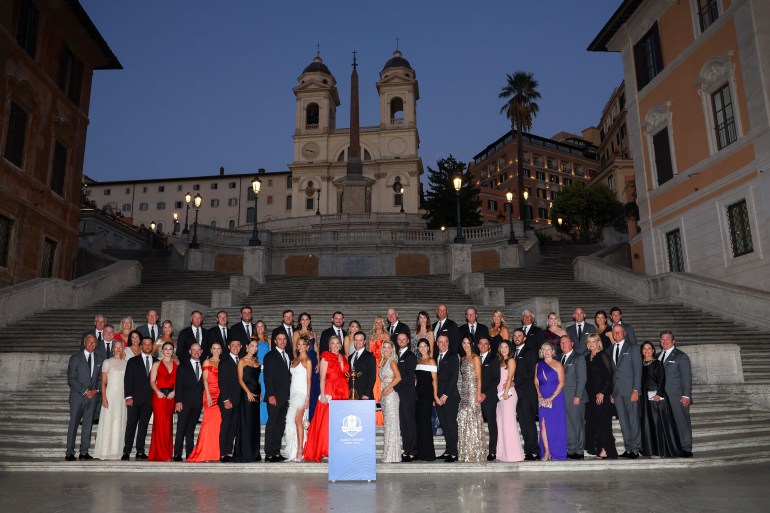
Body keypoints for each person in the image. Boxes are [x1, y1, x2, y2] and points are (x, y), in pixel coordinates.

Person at [304, 336, 350, 462]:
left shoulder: (345, 357)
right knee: (327, 420)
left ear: (340, 345)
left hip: (343, 390)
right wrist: (323, 394)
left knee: (341, 421)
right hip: (330, 389)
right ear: (329, 345)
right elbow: (322, 377)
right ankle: (326, 449)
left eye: (337, 343)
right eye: (332, 343)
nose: (335, 345)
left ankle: (340, 448)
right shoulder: (325, 357)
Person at [641, 341, 682, 458]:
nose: (647, 351)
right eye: (644, 348)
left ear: (653, 350)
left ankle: (660, 451)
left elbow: (662, 380)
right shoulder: (641, 364)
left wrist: (658, 394)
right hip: (645, 398)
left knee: (658, 424)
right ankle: (652, 450)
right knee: (650, 424)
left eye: (649, 348)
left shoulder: (657, 363)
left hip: (656, 397)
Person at [66, 334, 103, 461]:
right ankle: (69, 453)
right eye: (89, 342)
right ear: (84, 343)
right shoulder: (75, 358)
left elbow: (100, 378)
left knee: (88, 424)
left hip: (92, 397)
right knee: (74, 424)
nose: (92, 344)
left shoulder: (99, 359)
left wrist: (96, 390)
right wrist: (85, 391)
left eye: (94, 342)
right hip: (78, 396)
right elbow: (71, 378)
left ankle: (84, 452)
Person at [608, 324, 642, 458]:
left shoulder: (633, 348)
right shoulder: (610, 349)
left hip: (630, 390)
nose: (616, 334)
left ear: (624, 333)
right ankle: (628, 448)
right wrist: (611, 392)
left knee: (633, 420)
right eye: (614, 333)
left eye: (619, 332)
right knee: (623, 421)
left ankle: (635, 449)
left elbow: (638, 371)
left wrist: (636, 389)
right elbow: (611, 373)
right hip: (617, 392)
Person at [659, 330, 693, 457]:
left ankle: (686, 448)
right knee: (666, 423)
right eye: (662, 339)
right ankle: (671, 447)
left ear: (674, 341)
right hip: (661, 397)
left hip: (677, 397)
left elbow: (686, 377)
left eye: (668, 339)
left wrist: (686, 395)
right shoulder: (658, 356)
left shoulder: (681, 356)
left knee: (681, 422)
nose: (665, 341)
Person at [187, 342, 223, 462]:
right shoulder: (207, 361)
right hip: (210, 394)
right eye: (214, 348)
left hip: (221, 395)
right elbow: (205, 380)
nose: (216, 350)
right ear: (211, 350)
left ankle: (215, 453)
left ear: (221, 350)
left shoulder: (222, 362)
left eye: (218, 348)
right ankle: (205, 452)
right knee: (208, 424)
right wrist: (207, 394)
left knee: (217, 425)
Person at [584, 334, 617, 459]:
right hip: (591, 395)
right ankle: (599, 448)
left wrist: (603, 392)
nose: (592, 343)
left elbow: (609, 376)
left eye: (594, 341)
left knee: (604, 423)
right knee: (595, 423)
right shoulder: (587, 357)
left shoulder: (603, 355)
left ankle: (605, 449)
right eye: (589, 341)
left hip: (601, 394)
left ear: (599, 342)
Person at [122, 337, 156, 460]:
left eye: (149, 344)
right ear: (141, 346)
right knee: (131, 425)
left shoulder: (157, 362)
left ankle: (140, 451)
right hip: (134, 399)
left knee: (143, 426)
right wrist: (128, 396)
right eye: (145, 344)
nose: (147, 346)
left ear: (152, 346)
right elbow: (127, 380)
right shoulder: (132, 361)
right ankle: (126, 451)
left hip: (149, 400)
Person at [93, 340, 128, 460]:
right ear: (113, 349)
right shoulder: (107, 362)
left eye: (120, 347)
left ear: (123, 348)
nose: (118, 349)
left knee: (119, 422)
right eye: (116, 347)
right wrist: (104, 398)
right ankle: (104, 451)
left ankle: (117, 451)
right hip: (110, 395)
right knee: (108, 422)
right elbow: (103, 383)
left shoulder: (126, 363)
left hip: (121, 396)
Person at [535, 342, 568, 461]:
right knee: (543, 425)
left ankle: (556, 451)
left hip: (556, 398)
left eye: (549, 349)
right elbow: (536, 382)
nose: (547, 351)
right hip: (542, 398)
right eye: (544, 349)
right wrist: (539, 395)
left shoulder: (558, 364)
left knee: (555, 426)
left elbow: (562, 382)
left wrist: (552, 397)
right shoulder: (538, 365)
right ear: (541, 351)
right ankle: (547, 451)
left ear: (553, 351)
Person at [457, 336, 487, 463]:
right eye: (463, 343)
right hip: (464, 392)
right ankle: (466, 452)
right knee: (464, 420)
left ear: (472, 344)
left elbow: (479, 377)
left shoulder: (475, 357)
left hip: (473, 391)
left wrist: (478, 394)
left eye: (468, 343)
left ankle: (475, 452)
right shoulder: (463, 358)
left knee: (473, 421)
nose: (465, 345)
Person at [263, 333, 292, 462]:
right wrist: (270, 395)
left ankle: (276, 451)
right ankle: (269, 453)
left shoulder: (287, 355)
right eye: (279, 339)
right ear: (275, 341)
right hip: (274, 397)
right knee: (272, 425)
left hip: (285, 397)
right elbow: (267, 377)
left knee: (280, 425)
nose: (282, 341)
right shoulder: (270, 356)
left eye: (284, 339)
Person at [173, 343, 204, 461]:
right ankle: (177, 453)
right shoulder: (183, 366)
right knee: (181, 428)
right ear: (190, 352)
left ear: (201, 352)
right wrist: (178, 401)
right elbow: (178, 385)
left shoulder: (204, 365)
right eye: (194, 350)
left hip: (197, 403)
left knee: (190, 429)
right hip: (184, 402)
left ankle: (190, 453)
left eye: (198, 350)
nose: (196, 352)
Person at [495, 340, 524, 462]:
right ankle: (502, 454)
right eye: (501, 347)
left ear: (510, 348)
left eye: (506, 347)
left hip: (508, 396)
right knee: (501, 424)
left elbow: (510, 377)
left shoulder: (511, 360)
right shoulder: (500, 362)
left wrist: (506, 392)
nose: (503, 349)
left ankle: (513, 455)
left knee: (508, 424)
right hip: (500, 396)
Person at [512, 328, 539, 460]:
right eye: (515, 336)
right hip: (517, 394)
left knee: (529, 422)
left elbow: (530, 373)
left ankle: (534, 450)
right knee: (523, 423)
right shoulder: (513, 353)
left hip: (528, 393)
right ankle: (528, 449)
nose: (517, 338)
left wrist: (514, 382)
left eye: (519, 336)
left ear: (524, 338)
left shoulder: (529, 352)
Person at [148, 342, 178, 461]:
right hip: (159, 397)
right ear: (162, 350)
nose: (168, 351)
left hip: (171, 397)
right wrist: (157, 392)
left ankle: (167, 453)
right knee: (160, 425)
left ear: (173, 351)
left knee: (168, 425)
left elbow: (179, 381)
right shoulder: (156, 364)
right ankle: (160, 454)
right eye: (166, 349)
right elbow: (152, 381)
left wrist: (175, 392)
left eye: (170, 349)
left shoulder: (177, 364)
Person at [284, 336, 312, 462]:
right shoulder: (294, 360)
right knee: (292, 421)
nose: (300, 346)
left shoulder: (308, 361)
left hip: (302, 394)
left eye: (303, 344)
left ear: (307, 346)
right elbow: (292, 378)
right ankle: (293, 449)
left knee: (298, 420)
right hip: (293, 393)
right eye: (299, 344)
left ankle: (300, 450)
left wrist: (307, 398)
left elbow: (309, 381)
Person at [560, 336, 587, 460]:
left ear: (572, 344)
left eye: (566, 342)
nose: (563, 344)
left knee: (578, 424)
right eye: (561, 342)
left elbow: (582, 379)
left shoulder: (578, 357)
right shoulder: (560, 358)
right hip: (563, 398)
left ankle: (579, 450)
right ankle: (571, 449)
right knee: (568, 425)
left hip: (575, 397)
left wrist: (578, 396)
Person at [234, 339, 261, 462]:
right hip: (247, 395)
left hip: (256, 395)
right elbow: (240, 380)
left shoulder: (256, 361)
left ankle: (254, 453)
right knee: (246, 423)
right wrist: (248, 392)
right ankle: (246, 453)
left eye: (256, 346)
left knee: (254, 424)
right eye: (252, 346)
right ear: (247, 346)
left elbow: (258, 379)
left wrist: (260, 393)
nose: (254, 348)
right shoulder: (242, 361)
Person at [435, 334, 459, 462]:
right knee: (444, 425)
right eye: (440, 342)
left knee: (451, 424)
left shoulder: (453, 356)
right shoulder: (435, 357)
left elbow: (453, 378)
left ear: (448, 343)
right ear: (437, 343)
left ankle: (454, 452)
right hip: (438, 398)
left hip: (450, 397)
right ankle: (448, 450)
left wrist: (445, 395)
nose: (443, 344)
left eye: (445, 342)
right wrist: (435, 397)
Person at [218, 339, 242, 462]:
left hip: (238, 400)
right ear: (228, 347)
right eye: (233, 345)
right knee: (226, 427)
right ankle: (222, 453)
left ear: (241, 347)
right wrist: (226, 399)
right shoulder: (224, 362)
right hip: (227, 400)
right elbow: (222, 382)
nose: (236, 347)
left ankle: (228, 451)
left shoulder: (241, 361)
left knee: (233, 427)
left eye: (238, 345)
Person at [395, 332, 417, 462]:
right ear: (397, 341)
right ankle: (407, 449)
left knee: (410, 423)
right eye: (399, 339)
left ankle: (413, 451)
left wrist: (394, 384)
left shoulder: (411, 356)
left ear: (408, 341)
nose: (402, 341)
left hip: (408, 394)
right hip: (399, 395)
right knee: (403, 424)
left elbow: (409, 378)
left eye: (404, 339)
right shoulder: (396, 355)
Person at [379, 339, 403, 463]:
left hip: (391, 395)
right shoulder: (383, 362)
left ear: (392, 349)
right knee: (388, 425)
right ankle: (389, 454)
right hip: (384, 395)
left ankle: (392, 455)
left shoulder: (392, 362)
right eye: (384, 347)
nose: (386, 349)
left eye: (389, 347)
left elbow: (399, 377)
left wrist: (388, 388)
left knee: (392, 425)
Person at [414, 338, 437, 461]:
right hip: (418, 394)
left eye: (425, 346)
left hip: (427, 395)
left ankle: (428, 454)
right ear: (418, 348)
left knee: (425, 422)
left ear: (428, 347)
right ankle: (420, 452)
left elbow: (435, 381)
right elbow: (417, 380)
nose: (423, 348)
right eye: (420, 346)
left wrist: (435, 396)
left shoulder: (432, 361)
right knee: (418, 422)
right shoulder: (418, 361)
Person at [478, 338, 500, 461]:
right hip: (476, 397)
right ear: (478, 345)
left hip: (489, 397)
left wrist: (485, 393)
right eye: (481, 344)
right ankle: (479, 449)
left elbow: (496, 379)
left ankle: (492, 451)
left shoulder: (493, 359)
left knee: (492, 424)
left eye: (485, 344)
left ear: (489, 346)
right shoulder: (475, 358)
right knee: (477, 425)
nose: (483, 346)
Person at [369, 316, 390, 426]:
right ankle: (375, 418)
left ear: (382, 324)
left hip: (382, 362)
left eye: (380, 322)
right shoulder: (371, 336)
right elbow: (369, 351)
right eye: (376, 322)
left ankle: (383, 418)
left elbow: (389, 349)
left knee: (382, 387)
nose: (378, 324)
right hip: (373, 364)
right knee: (375, 388)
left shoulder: (386, 335)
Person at [349, 331, 376, 400]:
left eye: (360, 340)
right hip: (351, 394)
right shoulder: (350, 357)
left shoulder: (370, 356)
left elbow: (372, 376)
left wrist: (367, 393)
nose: (358, 342)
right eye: (356, 340)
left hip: (364, 395)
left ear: (364, 342)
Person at [254, 320, 271, 424]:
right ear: (256, 328)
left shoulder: (269, 340)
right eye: (258, 326)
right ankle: (258, 419)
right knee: (258, 392)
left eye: (262, 326)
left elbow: (271, 356)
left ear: (264, 328)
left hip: (266, 371)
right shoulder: (253, 339)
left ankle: (266, 418)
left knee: (266, 393)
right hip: (257, 370)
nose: (260, 328)